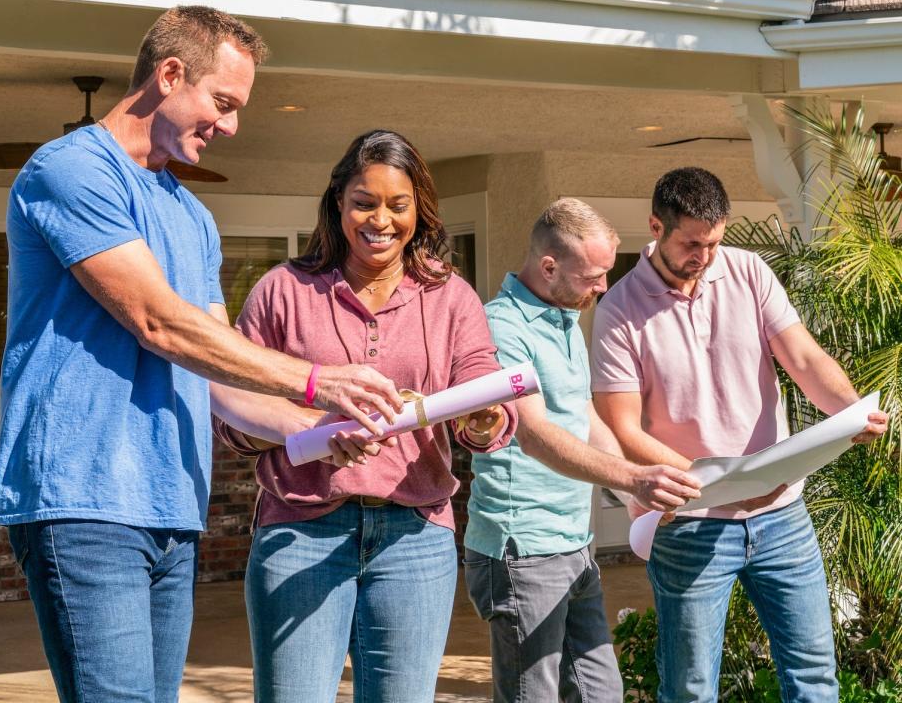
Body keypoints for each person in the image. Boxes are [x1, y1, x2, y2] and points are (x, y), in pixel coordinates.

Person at [0, 7, 404, 703]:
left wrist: (310, 432)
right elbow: (160, 322)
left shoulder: (190, 215)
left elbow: (219, 367)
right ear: (170, 74)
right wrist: (316, 380)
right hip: (85, 500)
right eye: (223, 103)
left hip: (170, 507)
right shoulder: (69, 172)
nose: (232, 125)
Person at [212, 128, 517, 703]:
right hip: (299, 529)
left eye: (398, 205)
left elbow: (481, 381)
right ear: (338, 205)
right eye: (364, 202)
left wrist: (484, 417)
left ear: (418, 211)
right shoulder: (283, 291)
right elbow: (233, 413)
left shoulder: (449, 296)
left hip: (414, 537)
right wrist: (309, 430)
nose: (381, 220)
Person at [591, 167, 888, 703]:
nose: (704, 256)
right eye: (691, 243)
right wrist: (719, 483)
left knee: (815, 678)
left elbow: (802, 357)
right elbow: (623, 428)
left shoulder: (748, 271)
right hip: (690, 526)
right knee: (690, 688)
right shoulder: (619, 309)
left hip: (782, 518)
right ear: (656, 226)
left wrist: (852, 411)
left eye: (714, 241)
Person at [463, 198, 702, 703]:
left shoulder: (563, 316)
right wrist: (633, 479)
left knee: (600, 693)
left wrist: (631, 491)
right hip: (522, 550)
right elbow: (534, 433)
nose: (603, 288)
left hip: (574, 543)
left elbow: (582, 415)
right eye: (593, 276)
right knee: (535, 695)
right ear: (549, 266)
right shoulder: (500, 329)